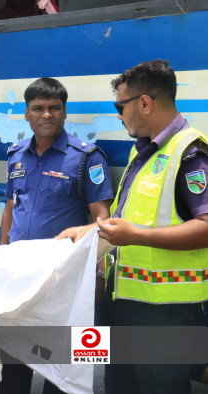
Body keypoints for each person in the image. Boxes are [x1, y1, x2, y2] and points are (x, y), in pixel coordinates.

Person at [60, 59, 208, 393]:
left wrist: (135, 236)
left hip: (164, 313)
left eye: (120, 106)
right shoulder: (143, 152)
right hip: (125, 302)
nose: (118, 115)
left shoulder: (190, 153)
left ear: (144, 103)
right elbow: (128, 221)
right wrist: (85, 235)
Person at [0, 77, 114, 394]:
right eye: (38, 108)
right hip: (21, 275)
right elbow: (11, 208)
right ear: (26, 113)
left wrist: (98, 274)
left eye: (54, 108)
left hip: (65, 279)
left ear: (64, 112)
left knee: (62, 367)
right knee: (14, 361)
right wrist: (2, 257)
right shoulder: (16, 156)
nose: (46, 115)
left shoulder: (86, 158)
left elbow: (102, 220)